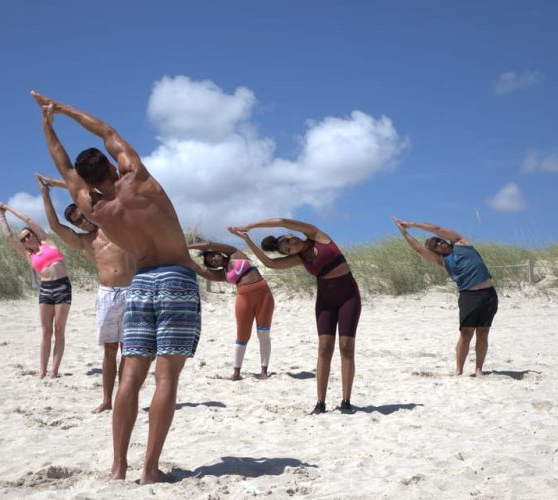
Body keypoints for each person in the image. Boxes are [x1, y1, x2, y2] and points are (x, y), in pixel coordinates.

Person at [31, 91, 201, 484]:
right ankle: (150, 469)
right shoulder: (138, 179)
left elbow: (61, 163)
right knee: (166, 379)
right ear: (111, 165)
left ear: (86, 180)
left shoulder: (93, 208)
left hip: (140, 282)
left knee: (130, 377)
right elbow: (106, 130)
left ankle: (118, 467)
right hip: (175, 276)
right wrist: (62, 109)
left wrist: (46, 125)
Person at [227, 218, 361, 415]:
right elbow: (269, 263)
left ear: (291, 236)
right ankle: (320, 403)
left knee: (346, 348)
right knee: (324, 349)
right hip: (326, 301)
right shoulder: (300, 259)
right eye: (287, 250)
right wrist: (247, 240)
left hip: (349, 297)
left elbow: (282, 221)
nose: (292, 248)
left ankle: (346, 401)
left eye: (289, 243)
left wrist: (250, 226)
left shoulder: (317, 236)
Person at [35, 173, 136, 413]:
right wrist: (45, 195)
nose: (83, 222)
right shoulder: (84, 241)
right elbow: (54, 226)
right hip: (107, 295)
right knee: (110, 350)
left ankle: (124, 398)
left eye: (83, 215)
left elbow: (100, 192)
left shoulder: (117, 225)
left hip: (133, 291)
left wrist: (60, 183)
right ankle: (107, 399)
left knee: (130, 350)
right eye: (78, 221)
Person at [394, 218, 498, 377]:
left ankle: (478, 369)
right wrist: (404, 232)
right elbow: (418, 249)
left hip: (488, 294)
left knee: (483, 333)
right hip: (468, 296)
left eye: (439, 241)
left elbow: (436, 228)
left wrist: (412, 224)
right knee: (466, 333)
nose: (439, 244)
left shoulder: (461, 242)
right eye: (435, 246)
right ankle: (459, 370)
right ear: (435, 251)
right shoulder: (442, 261)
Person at [0, 201, 71, 379]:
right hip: (46, 289)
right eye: (23, 240)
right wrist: (1, 215)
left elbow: (28, 219)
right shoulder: (28, 254)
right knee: (46, 331)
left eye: (27, 236)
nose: (26, 240)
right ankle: (42, 370)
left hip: (62, 286)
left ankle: (54, 371)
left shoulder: (47, 242)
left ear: (34, 235)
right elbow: (8, 237)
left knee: (59, 329)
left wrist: (8, 208)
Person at [188, 241, 274, 380]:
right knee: (242, 336)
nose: (214, 259)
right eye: (212, 262)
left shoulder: (235, 254)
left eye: (213, 256)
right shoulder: (223, 274)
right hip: (243, 299)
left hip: (264, 295)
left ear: (217, 252)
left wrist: (186, 246)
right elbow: (200, 270)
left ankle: (264, 371)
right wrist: (181, 256)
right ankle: (236, 373)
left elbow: (209, 243)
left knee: (263, 333)